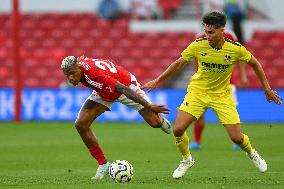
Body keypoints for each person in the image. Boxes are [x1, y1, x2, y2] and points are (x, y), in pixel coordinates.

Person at [142, 11, 282, 179]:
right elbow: (178, 63)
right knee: (178, 129)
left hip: (222, 96)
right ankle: (187, 159)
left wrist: (266, 88)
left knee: (237, 138)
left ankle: (251, 152)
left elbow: (255, 63)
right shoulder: (198, 44)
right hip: (197, 92)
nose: (207, 35)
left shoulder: (235, 48)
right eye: (205, 31)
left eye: (211, 32)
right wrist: (157, 80)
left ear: (221, 30)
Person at [60, 56, 172, 180]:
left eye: (72, 73)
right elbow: (84, 60)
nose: (70, 77)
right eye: (67, 75)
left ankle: (161, 120)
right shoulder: (82, 67)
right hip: (104, 91)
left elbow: (123, 89)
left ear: (79, 68)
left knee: (154, 122)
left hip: (126, 86)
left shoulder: (95, 76)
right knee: (80, 124)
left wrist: (149, 106)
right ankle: (103, 164)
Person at [189, 30, 248, 151]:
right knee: (198, 114)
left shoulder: (230, 35)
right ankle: (197, 141)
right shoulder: (199, 37)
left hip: (226, 84)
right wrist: (196, 74)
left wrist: (242, 75)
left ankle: (238, 140)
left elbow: (240, 55)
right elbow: (194, 57)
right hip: (204, 85)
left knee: (230, 115)